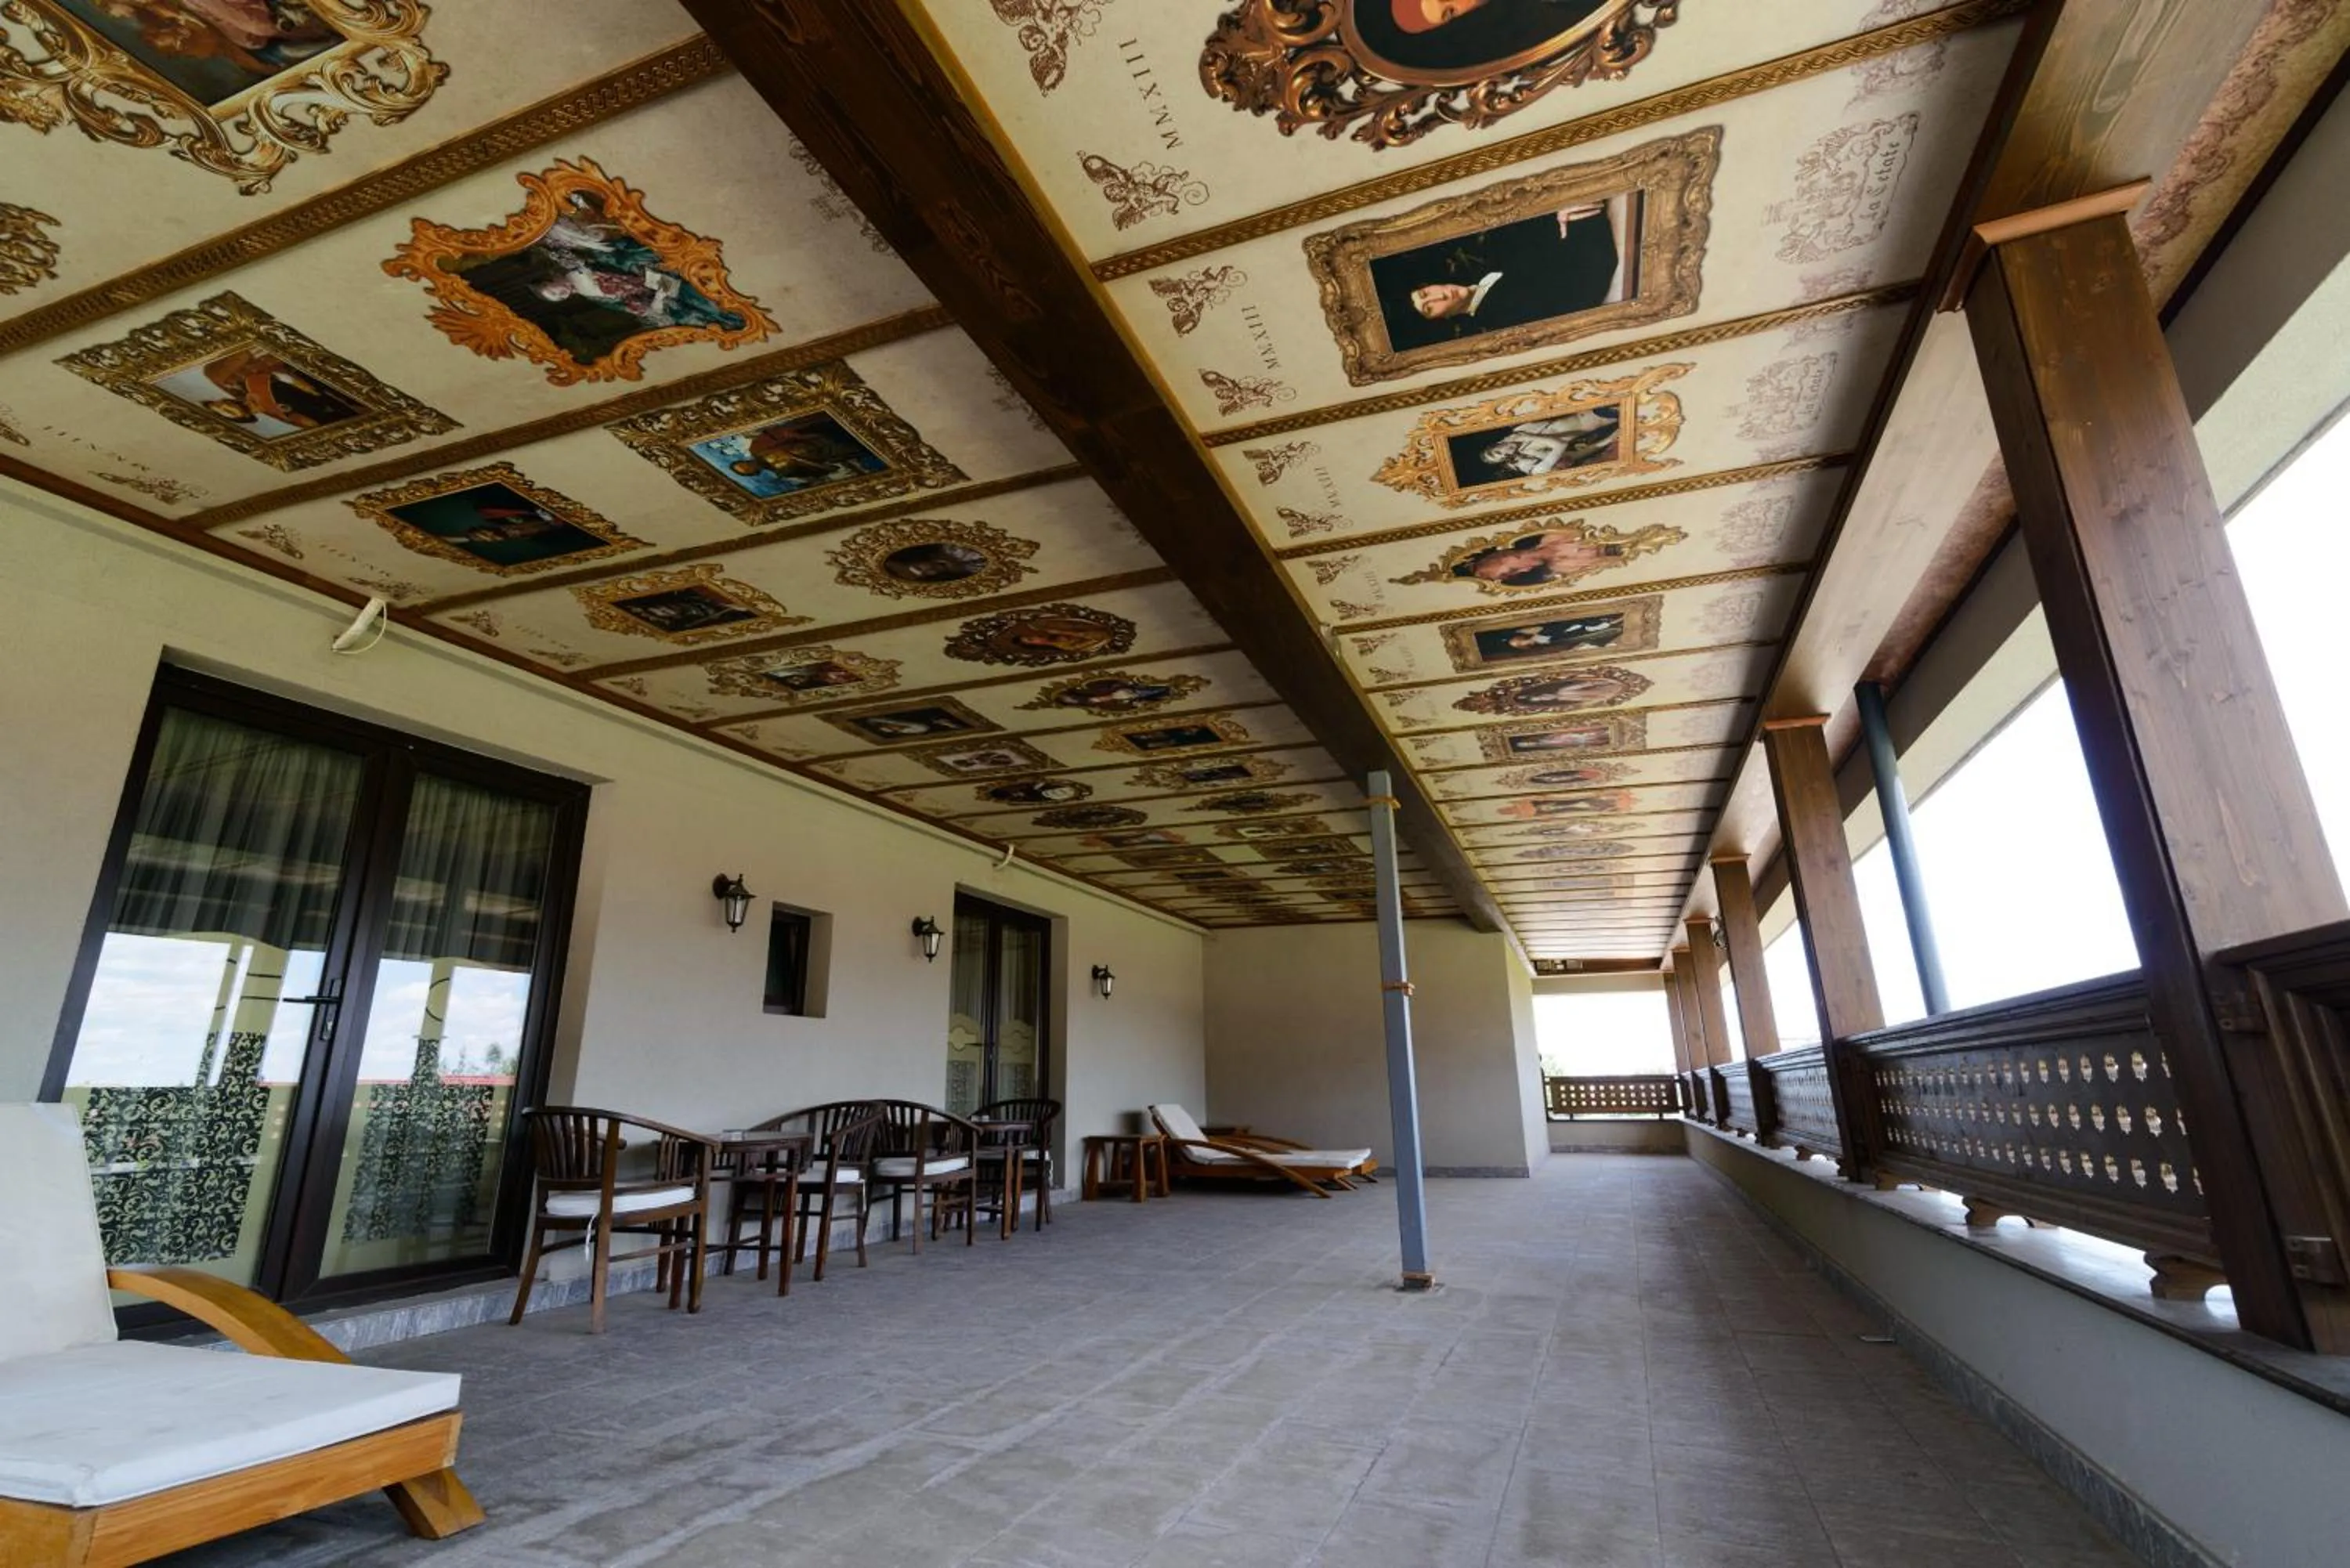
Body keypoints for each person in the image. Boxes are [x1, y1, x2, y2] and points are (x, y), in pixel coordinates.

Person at [1397, 201, 1622, 348]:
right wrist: (1573, 230)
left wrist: (1558, 215)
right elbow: (1575, 294)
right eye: (1429, 307)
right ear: (1440, 319)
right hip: (1601, 258)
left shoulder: (1487, 266)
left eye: (1426, 293)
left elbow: (1534, 235)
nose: (1439, 297)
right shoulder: (1500, 322)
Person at [196, 349, 356, 432]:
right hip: (327, 406)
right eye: (227, 412)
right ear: (244, 417)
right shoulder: (273, 413)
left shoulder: (237, 383)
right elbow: (304, 420)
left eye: (218, 405)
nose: (223, 407)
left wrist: (296, 382)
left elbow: (273, 374)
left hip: (308, 378)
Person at [1474, 407, 1620, 481]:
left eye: (1499, 452)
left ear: (1497, 444)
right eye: (1503, 457)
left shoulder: (1518, 427)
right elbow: (1571, 455)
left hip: (1587, 404)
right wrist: (1608, 441)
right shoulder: (1530, 450)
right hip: (1599, 418)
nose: (1506, 453)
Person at [1457, 529, 1624, 589]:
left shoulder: (1553, 536)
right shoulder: (1562, 569)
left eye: (1512, 570)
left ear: (1508, 555)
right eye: (1512, 576)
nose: (1525, 570)